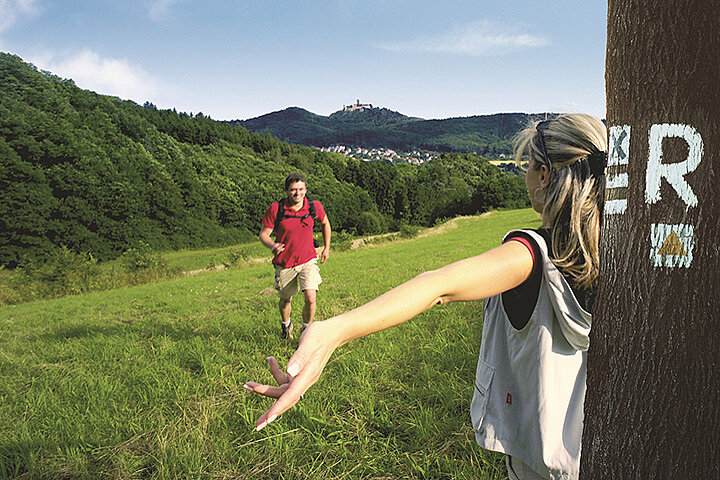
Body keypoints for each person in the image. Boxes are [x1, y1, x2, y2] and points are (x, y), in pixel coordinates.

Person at [245, 114, 607, 480]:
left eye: (528, 165)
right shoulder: (617, 253)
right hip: (583, 450)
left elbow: (438, 286)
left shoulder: (529, 255)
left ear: (544, 176)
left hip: (537, 458)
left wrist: (334, 331)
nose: (525, 175)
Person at [259, 172, 331, 339]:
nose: (297, 193)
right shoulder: (276, 209)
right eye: (293, 190)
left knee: (311, 297)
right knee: (286, 300)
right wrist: (272, 245)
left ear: (305, 189)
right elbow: (264, 234)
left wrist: (327, 248)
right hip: (285, 263)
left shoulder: (314, 206)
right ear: (286, 191)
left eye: (301, 189)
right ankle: (286, 326)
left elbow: (325, 223)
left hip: (308, 260)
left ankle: (306, 331)